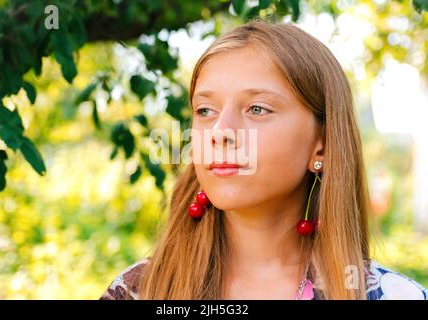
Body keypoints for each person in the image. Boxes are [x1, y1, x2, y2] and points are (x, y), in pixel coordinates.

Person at [100, 20, 427, 300]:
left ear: (322, 145)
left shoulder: (394, 294)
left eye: (257, 109)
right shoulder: (139, 291)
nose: (220, 131)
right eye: (205, 110)